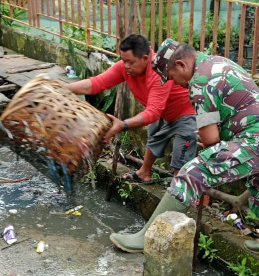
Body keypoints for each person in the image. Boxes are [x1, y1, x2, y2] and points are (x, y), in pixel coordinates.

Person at [111, 39, 259, 261]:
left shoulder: (199, 82)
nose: (175, 84)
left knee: (191, 174)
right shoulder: (217, 62)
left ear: (180, 65)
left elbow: (211, 140)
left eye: (171, 77)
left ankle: (147, 238)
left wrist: (207, 147)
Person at [64, 33, 197, 186]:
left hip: (185, 112)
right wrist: (64, 88)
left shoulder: (158, 73)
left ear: (145, 58)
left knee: (181, 157)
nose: (125, 65)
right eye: (123, 60)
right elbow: (97, 83)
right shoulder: (125, 68)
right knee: (154, 137)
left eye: (130, 62)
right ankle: (144, 173)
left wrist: (123, 124)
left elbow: (153, 113)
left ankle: (178, 192)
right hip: (163, 111)